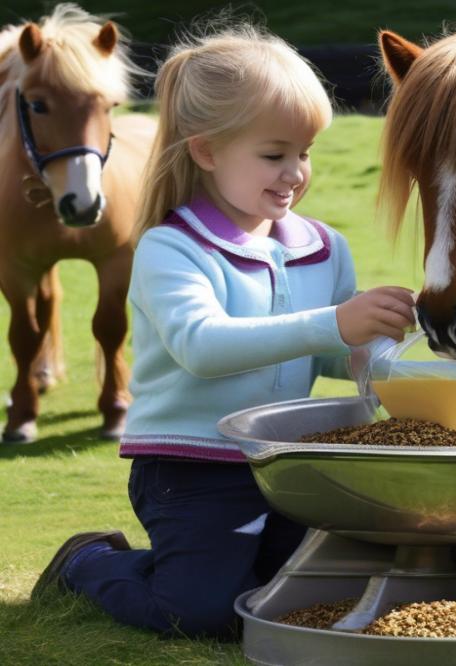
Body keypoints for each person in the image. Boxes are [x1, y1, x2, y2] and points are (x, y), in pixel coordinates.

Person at [30, 24, 415, 638]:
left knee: (304, 598)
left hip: (290, 465)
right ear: (206, 152)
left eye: (305, 153)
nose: (295, 172)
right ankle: (90, 560)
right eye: (274, 154)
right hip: (191, 467)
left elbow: (338, 355)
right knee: (200, 614)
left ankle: (221, 565)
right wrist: (335, 323)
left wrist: (390, 350)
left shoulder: (324, 246)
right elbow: (202, 347)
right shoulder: (170, 247)